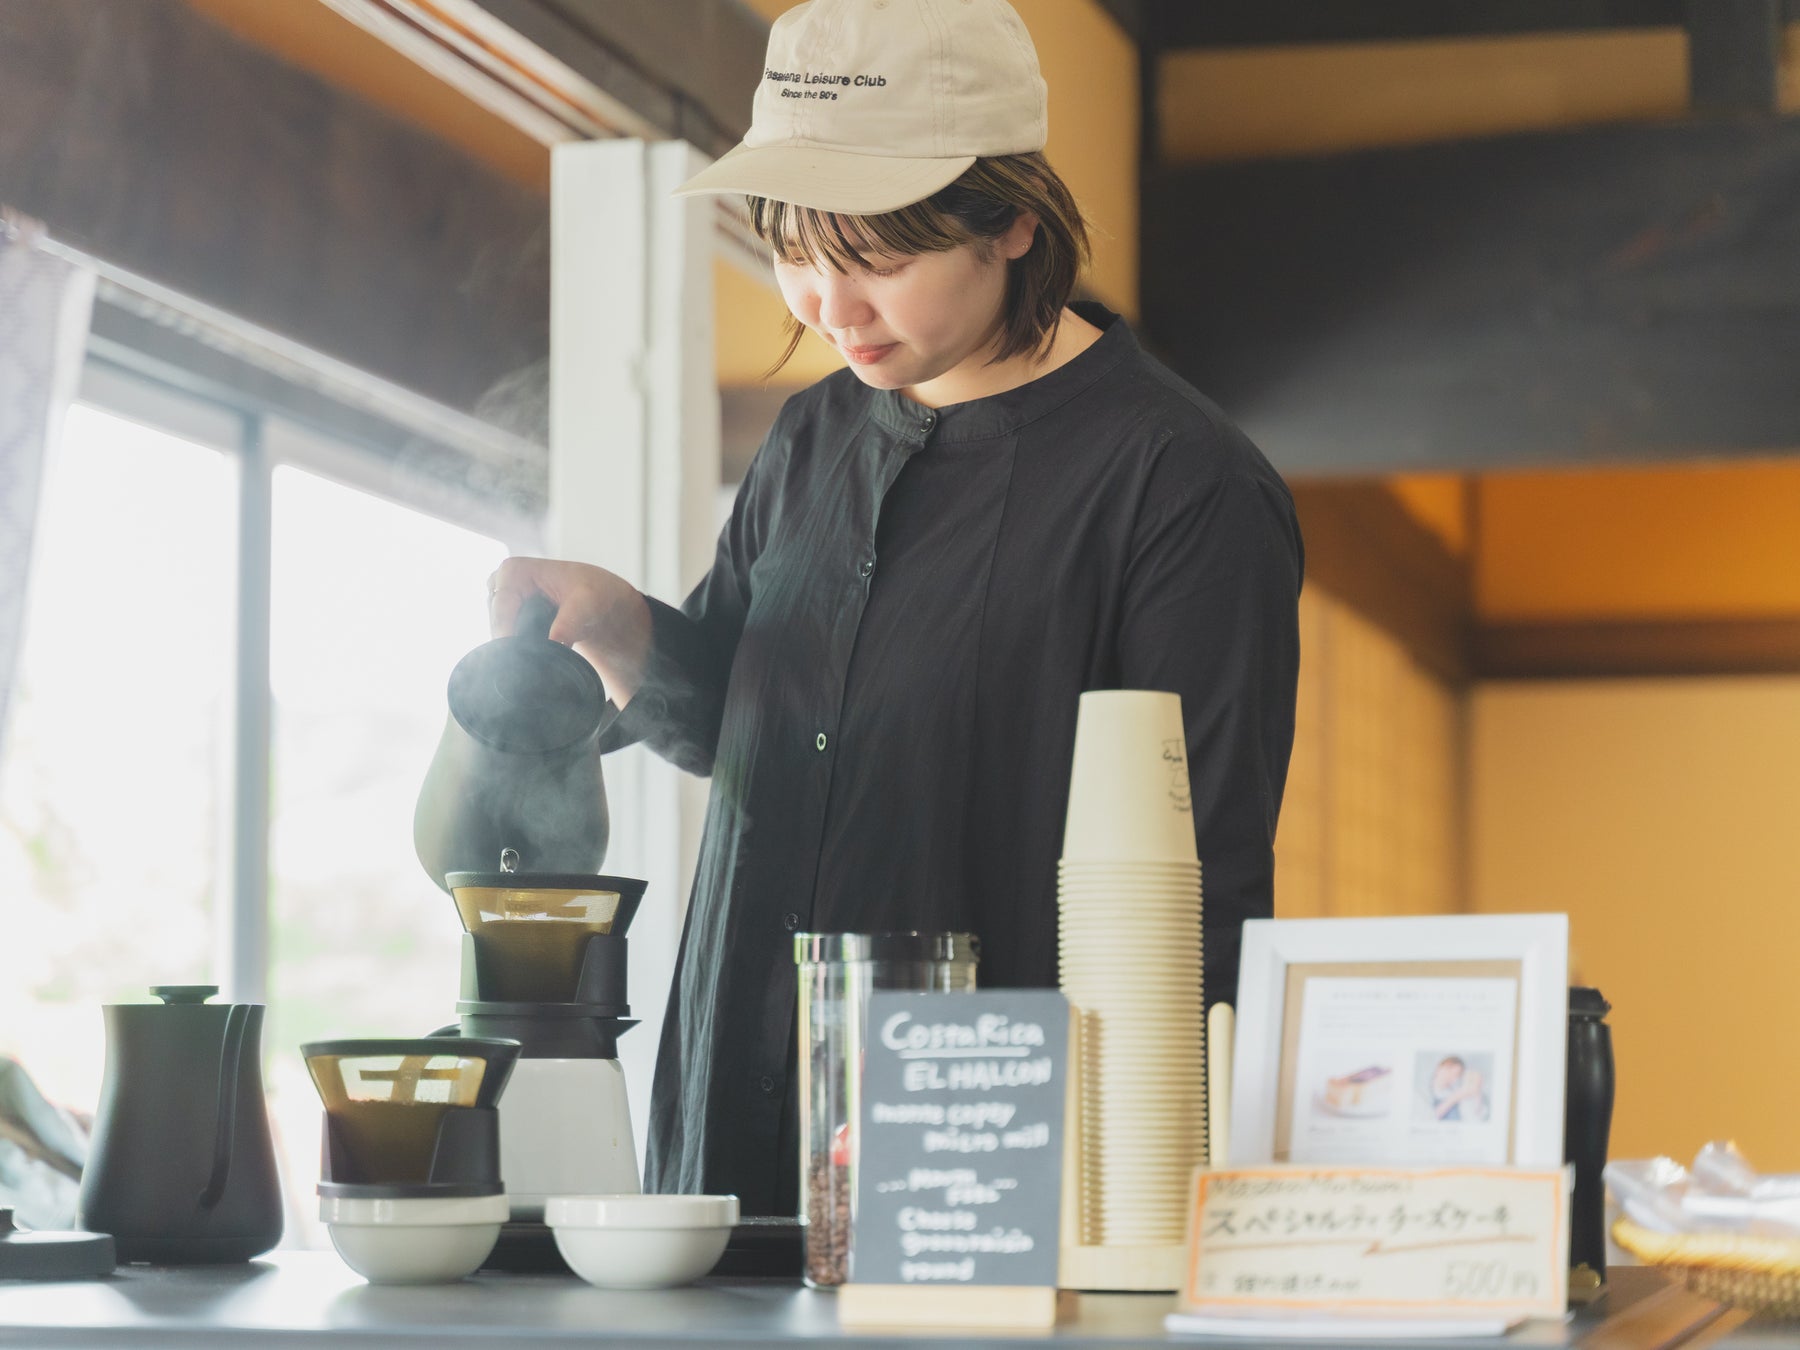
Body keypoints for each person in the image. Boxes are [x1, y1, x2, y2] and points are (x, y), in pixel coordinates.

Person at [485, 0, 1303, 1213]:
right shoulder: (813, 437)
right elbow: (743, 727)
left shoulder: (1179, 486)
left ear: (1013, 219)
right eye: (797, 254)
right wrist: (620, 627)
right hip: (734, 1110)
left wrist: (1140, 1215)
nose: (827, 306)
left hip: (979, 1149)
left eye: (876, 261)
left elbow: (1202, 892)